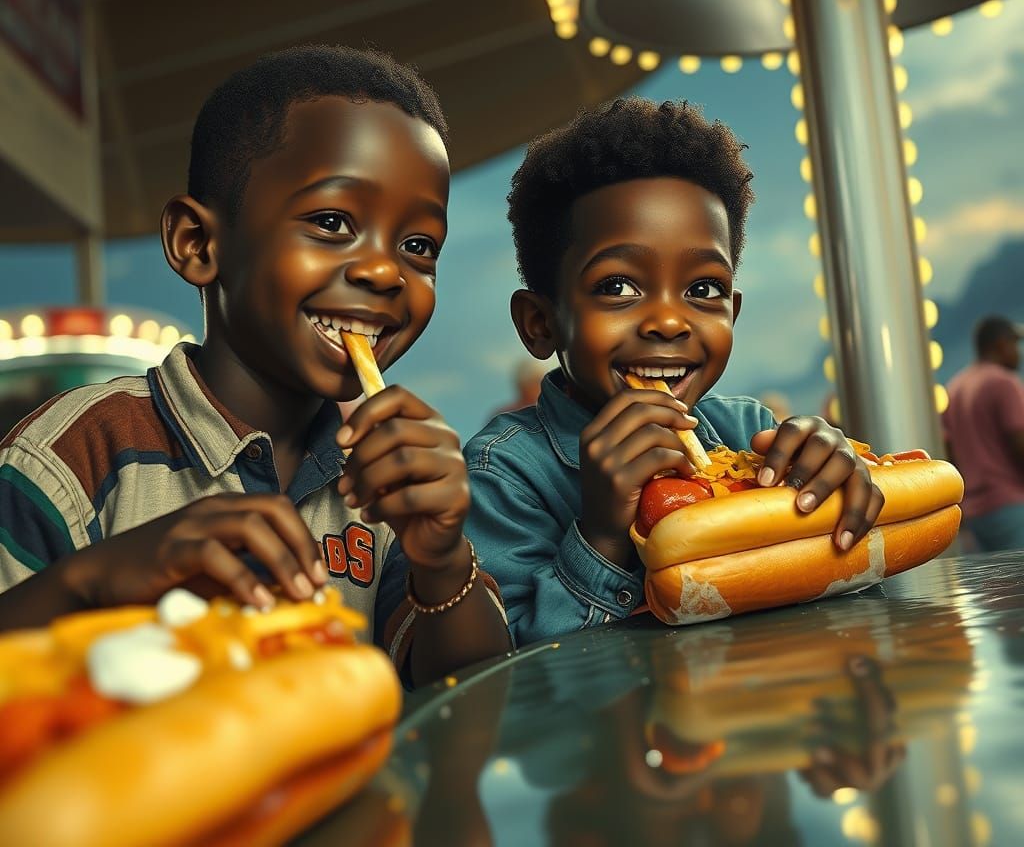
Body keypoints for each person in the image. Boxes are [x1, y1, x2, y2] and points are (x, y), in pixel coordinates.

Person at [0, 45, 510, 685]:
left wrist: (442, 558)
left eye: (417, 246)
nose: (384, 271)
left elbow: (473, 698)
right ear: (198, 244)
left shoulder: (383, 480)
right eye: (331, 222)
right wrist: (88, 584)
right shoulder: (73, 457)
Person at [463, 98, 882, 646]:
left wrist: (838, 508)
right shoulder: (502, 475)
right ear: (541, 323)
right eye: (618, 286)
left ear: (731, 313)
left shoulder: (749, 434)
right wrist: (604, 536)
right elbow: (502, 671)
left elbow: (832, 614)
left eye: (702, 289)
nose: (667, 320)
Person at [942, 315, 1024, 551]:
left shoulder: (955, 387)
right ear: (1000, 344)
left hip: (973, 513)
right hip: (1011, 506)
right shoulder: (1004, 382)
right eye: (1014, 343)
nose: (1018, 352)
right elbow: (1020, 444)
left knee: (993, 587)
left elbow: (950, 452)